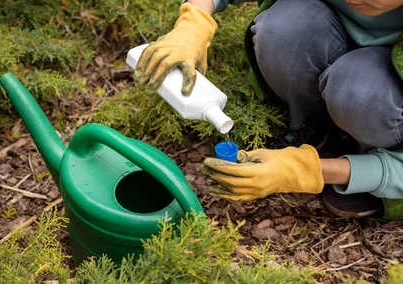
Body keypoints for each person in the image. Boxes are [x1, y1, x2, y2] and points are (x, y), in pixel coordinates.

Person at [133, 0, 403, 220]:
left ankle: (368, 164)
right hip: (329, 28)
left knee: (360, 91)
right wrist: (194, 21)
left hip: (378, 90)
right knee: (282, 31)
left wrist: (307, 171)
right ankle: (311, 124)